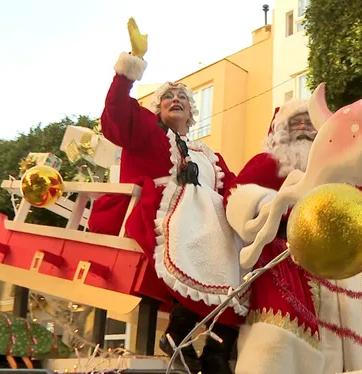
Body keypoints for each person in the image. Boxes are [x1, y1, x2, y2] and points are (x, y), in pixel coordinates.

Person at [87, 18, 245, 374]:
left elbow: (235, 189)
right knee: (202, 236)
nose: (175, 100)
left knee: (243, 254)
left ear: (192, 113)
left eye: (182, 99)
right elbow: (114, 117)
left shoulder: (209, 156)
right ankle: (179, 335)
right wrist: (129, 68)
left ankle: (216, 352)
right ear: (158, 110)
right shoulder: (146, 131)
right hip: (158, 217)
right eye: (168, 98)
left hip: (207, 225)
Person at [224, 99, 362, 374]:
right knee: (279, 342)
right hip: (285, 258)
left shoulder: (340, 169)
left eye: (309, 121)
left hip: (338, 265)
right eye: (295, 122)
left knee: (346, 337)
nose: (303, 126)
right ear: (281, 130)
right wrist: (276, 206)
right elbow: (237, 195)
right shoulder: (269, 162)